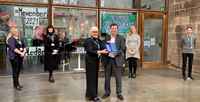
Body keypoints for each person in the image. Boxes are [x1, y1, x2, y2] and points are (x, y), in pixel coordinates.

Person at [102, 23, 125, 101]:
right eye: (112, 28)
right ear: (110, 29)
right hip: (108, 60)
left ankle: (119, 93)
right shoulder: (106, 37)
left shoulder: (121, 37)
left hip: (116, 60)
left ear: (117, 29)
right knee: (107, 78)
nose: (114, 30)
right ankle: (107, 92)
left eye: (115, 28)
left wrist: (116, 52)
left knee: (118, 78)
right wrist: (106, 45)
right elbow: (103, 47)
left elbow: (122, 49)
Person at [85, 27, 108, 102]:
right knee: (91, 78)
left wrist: (108, 45)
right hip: (90, 62)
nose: (96, 33)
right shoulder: (88, 40)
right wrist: (101, 52)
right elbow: (90, 51)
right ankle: (93, 96)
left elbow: (102, 48)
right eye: (94, 32)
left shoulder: (98, 40)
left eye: (97, 32)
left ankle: (90, 93)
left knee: (94, 78)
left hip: (96, 61)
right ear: (91, 32)